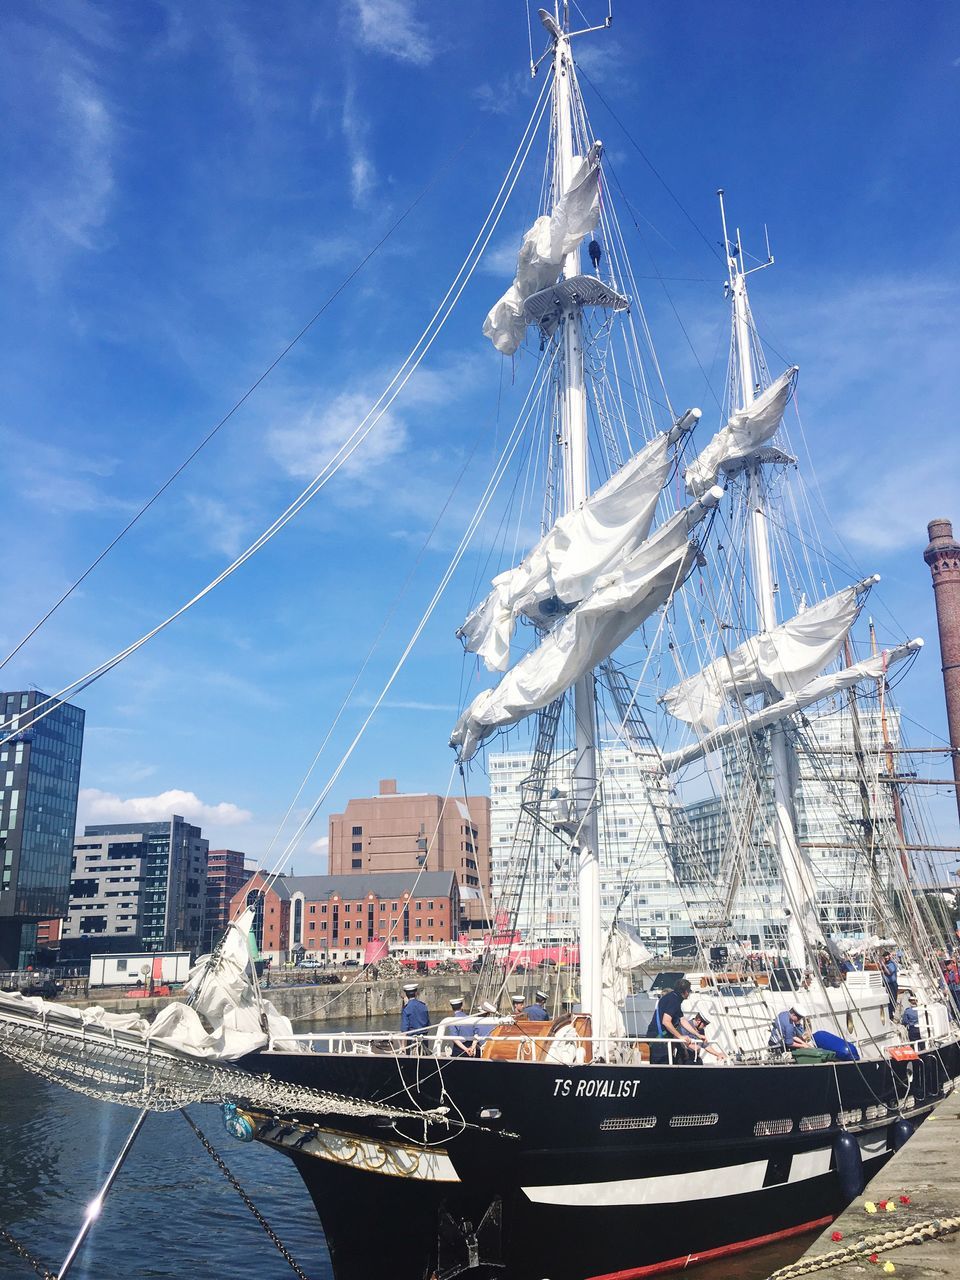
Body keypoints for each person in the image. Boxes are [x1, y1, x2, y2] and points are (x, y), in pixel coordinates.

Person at [645, 978, 694, 1064]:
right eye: (689, 991)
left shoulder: (674, 998)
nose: (689, 993)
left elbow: (682, 1020)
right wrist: (680, 1037)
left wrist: (697, 1034)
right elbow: (666, 1021)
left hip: (659, 1037)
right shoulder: (673, 1000)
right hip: (659, 1039)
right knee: (661, 1066)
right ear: (685, 991)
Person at [400, 982, 430, 1048]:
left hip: (412, 1041)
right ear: (416, 993)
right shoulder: (423, 1006)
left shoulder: (406, 1009)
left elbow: (404, 1029)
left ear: (406, 994)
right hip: (424, 1039)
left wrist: (402, 1047)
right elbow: (428, 1024)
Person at [881, 951, 899, 1015]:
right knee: (886, 999)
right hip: (885, 984)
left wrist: (883, 965)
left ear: (889, 956)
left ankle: (892, 1013)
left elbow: (889, 973)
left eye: (887, 956)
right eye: (884, 956)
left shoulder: (891, 964)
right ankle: (889, 1013)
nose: (886, 957)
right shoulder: (885, 964)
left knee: (892, 999)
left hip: (892, 984)